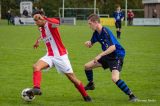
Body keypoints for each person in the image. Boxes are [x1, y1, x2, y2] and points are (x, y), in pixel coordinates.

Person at [26, 10, 92, 102]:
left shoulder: (50, 25)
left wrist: (44, 18)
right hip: (49, 55)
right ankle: (37, 88)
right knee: (36, 67)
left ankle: (86, 96)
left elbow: (57, 22)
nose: (36, 22)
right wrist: (38, 41)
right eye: (35, 20)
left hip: (60, 56)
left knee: (72, 78)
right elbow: (43, 35)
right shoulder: (40, 28)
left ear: (42, 18)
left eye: (37, 20)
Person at [84, 14, 138, 102]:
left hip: (117, 56)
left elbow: (113, 47)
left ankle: (132, 95)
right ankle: (91, 84)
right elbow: (91, 43)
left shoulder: (105, 31)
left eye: (90, 23)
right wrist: (88, 43)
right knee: (87, 66)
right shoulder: (96, 33)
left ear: (96, 22)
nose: (89, 26)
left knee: (114, 78)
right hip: (108, 55)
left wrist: (100, 55)